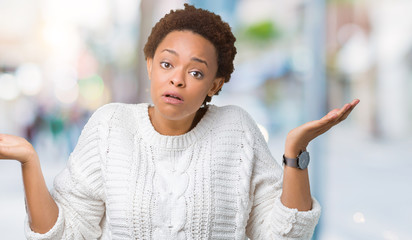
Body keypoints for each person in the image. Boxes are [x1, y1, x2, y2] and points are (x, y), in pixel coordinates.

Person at [0, 4, 359, 240]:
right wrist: (29, 159)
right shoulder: (110, 126)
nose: (177, 79)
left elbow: (284, 234)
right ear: (149, 65)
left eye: (196, 71)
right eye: (167, 64)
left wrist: (296, 153)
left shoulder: (237, 130)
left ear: (215, 85)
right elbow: (66, 233)